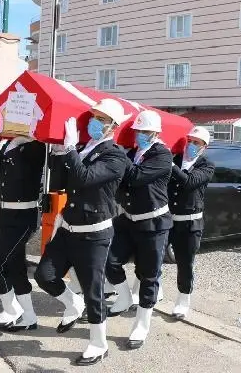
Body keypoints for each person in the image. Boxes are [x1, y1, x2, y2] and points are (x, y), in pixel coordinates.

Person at [35, 99, 131, 366]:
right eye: (93, 117)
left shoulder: (116, 156)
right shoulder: (82, 148)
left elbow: (85, 178)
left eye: (101, 119)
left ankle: (98, 344)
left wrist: (69, 151)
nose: (94, 123)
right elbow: (62, 183)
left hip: (94, 233)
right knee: (44, 275)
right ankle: (72, 304)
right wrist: (58, 153)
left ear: (112, 126)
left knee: (93, 290)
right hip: (67, 228)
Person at [105, 110, 173, 350]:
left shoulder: (163, 156)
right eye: (137, 132)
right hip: (128, 220)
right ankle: (123, 296)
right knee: (108, 259)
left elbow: (134, 177)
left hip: (153, 223)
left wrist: (115, 151)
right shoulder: (132, 153)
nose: (140, 136)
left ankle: (141, 325)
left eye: (144, 132)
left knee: (148, 275)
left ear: (155, 133)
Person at [0, 132, 46, 331]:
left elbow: (29, 164)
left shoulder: (35, 146)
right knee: (15, 267)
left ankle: (11, 309)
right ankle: (29, 316)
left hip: (24, 216)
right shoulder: (6, 145)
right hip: (7, 214)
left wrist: (28, 137)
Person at [166, 127, 214, 319]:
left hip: (190, 223)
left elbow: (189, 182)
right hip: (169, 219)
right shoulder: (176, 159)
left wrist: (171, 166)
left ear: (204, 147)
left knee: (185, 262)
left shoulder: (206, 165)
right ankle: (152, 292)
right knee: (152, 257)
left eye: (197, 143)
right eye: (190, 141)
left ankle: (183, 300)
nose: (192, 145)